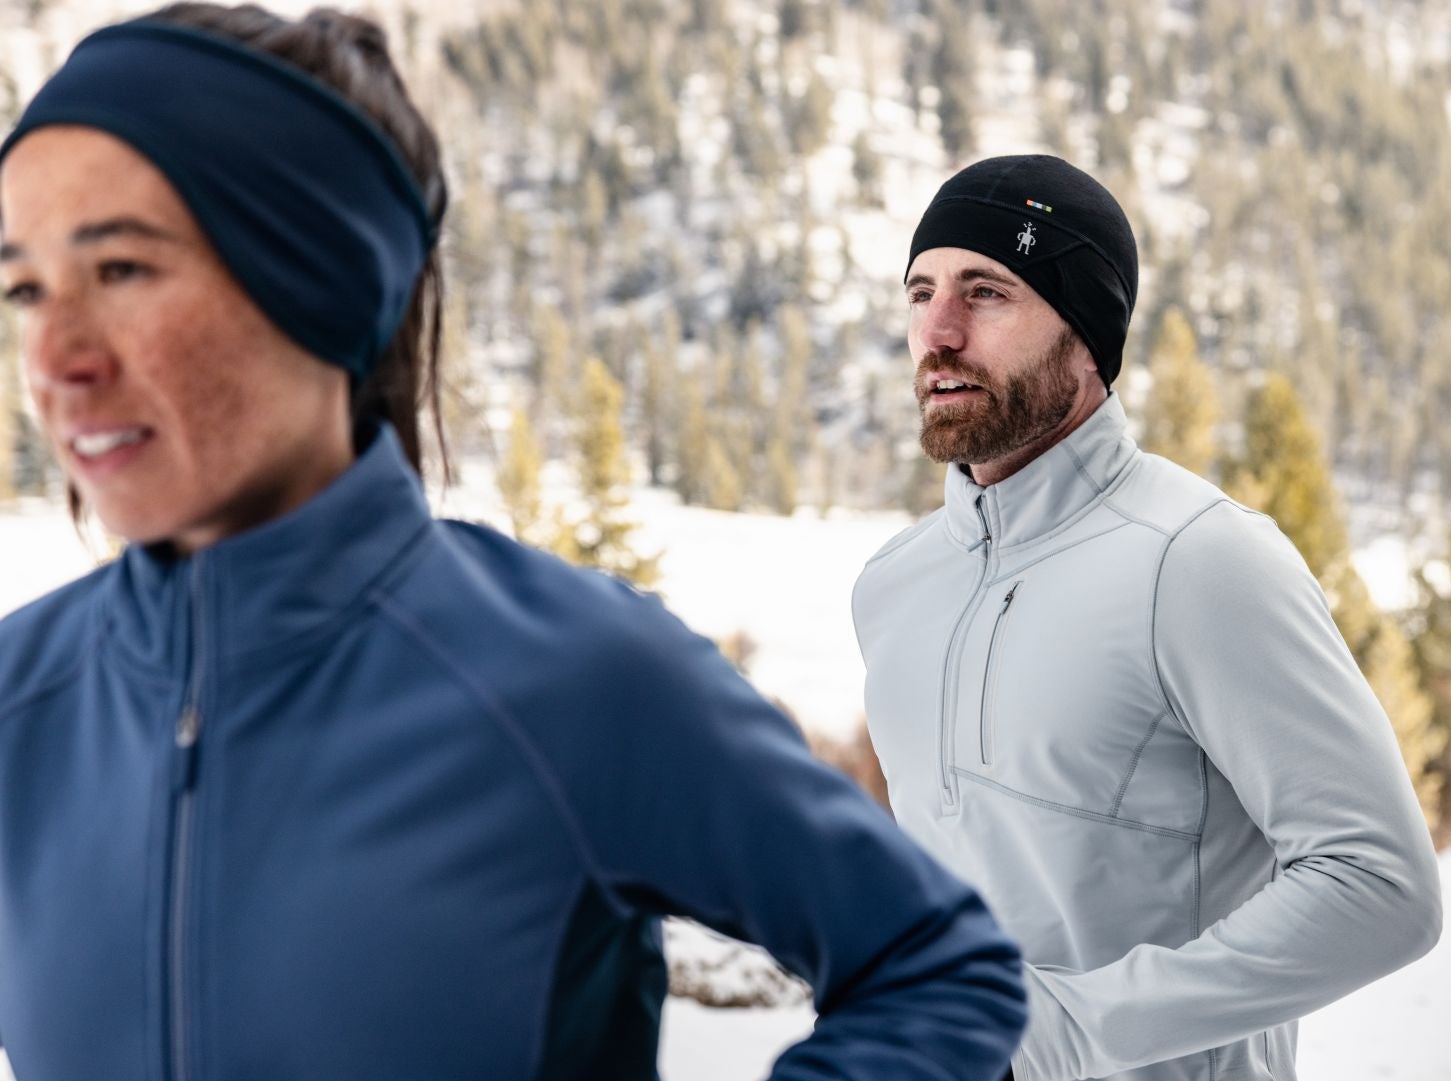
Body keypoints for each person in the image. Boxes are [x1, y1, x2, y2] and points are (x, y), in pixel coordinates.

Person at [0, 7, 1026, 1080]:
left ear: (322, 279)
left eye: (123, 269)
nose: (54, 356)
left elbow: (938, 966)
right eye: (24, 286)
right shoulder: (21, 701)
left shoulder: (570, 679)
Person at [852, 153, 1442, 1081]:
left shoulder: (1200, 559)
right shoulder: (894, 586)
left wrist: (1064, 1033)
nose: (939, 330)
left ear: (1087, 335)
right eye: (921, 292)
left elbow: (1382, 885)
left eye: (987, 292)